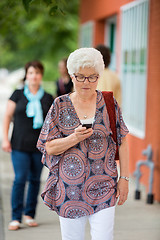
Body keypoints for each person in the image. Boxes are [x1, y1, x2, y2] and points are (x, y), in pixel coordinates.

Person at [37, 48, 129, 240]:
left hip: (104, 186)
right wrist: (74, 138)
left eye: (92, 77)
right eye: (80, 77)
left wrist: (124, 178)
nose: (86, 82)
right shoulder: (59, 105)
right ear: (71, 76)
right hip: (70, 189)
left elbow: (123, 141)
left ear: (99, 76)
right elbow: (49, 147)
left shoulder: (109, 104)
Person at [2, 60, 54, 231]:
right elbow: (8, 117)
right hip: (18, 145)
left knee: (34, 181)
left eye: (37, 73)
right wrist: (5, 139)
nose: (34, 76)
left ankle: (29, 214)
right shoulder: (17, 94)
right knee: (20, 179)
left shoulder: (47, 98)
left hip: (40, 148)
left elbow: (53, 124)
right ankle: (16, 217)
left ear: (41, 76)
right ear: (27, 75)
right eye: (31, 73)